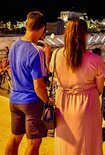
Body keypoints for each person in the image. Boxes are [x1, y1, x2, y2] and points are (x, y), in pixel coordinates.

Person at [50, 18, 105, 155]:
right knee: (87, 142)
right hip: (87, 105)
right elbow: (100, 88)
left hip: (63, 105)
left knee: (66, 142)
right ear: (85, 35)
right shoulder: (95, 60)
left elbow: (55, 76)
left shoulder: (56, 55)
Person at [5, 11, 49, 155]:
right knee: (34, 142)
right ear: (42, 28)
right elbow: (39, 85)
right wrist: (48, 101)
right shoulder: (37, 51)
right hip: (32, 102)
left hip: (14, 99)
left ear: (26, 25)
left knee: (15, 137)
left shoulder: (14, 46)